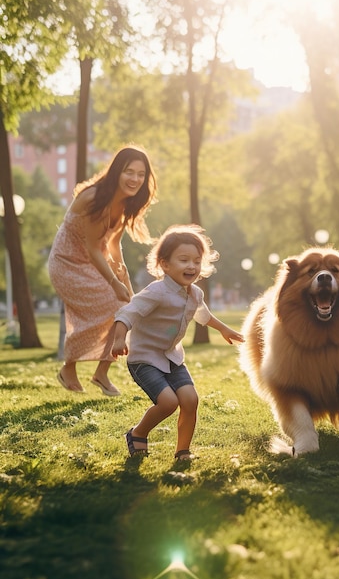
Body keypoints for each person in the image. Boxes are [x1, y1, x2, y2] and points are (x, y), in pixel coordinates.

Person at [111, 224, 244, 461]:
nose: (191, 266)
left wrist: (224, 329)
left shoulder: (195, 294)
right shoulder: (157, 292)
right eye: (183, 260)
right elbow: (127, 313)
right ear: (164, 263)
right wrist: (119, 338)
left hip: (172, 357)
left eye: (196, 260)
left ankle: (183, 451)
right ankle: (138, 433)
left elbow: (202, 314)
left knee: (190, 400)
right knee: (169, 402)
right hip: (145, 359)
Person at [48, 145, 158, 396]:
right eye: (129, 172)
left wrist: (125, 278)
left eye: (141, 174)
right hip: (67, 262)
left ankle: (100, 374)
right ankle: (70, 367)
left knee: (125, 306)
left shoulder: (125, 202)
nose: (135, 179)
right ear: (117, 171)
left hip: (90, 261)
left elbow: (112, 243)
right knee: (113, 305)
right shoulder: (94, 198)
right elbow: (93, 248)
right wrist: (112, 282)